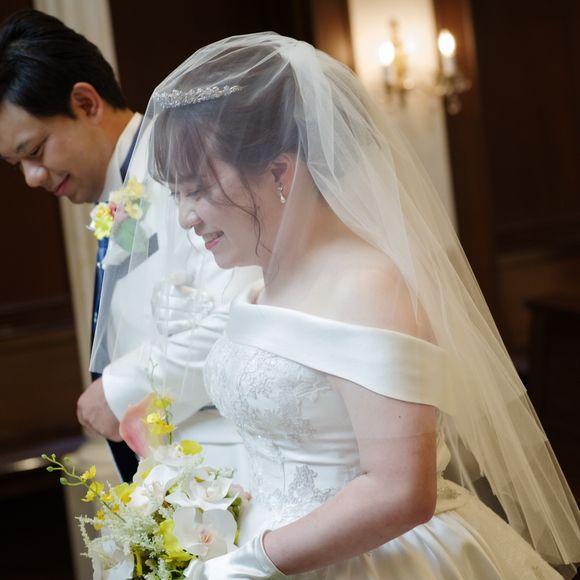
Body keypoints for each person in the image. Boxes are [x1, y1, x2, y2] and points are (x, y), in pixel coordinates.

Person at [111, 32, 580, 579]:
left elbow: (402, 490)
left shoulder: (370, 287)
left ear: (279, 172)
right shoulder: (260, 284)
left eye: (197, 189)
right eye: (177, 194)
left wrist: (253, 561)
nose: (186, 217)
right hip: (277, 546)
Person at [0, 9, 254, 485]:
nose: (31, 178)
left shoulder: (187, 162)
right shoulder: (119, 190)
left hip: (236, 469)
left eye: (34, 151)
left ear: (86, 102)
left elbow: (244, 315)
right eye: (17, 165)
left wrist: (119, 389)